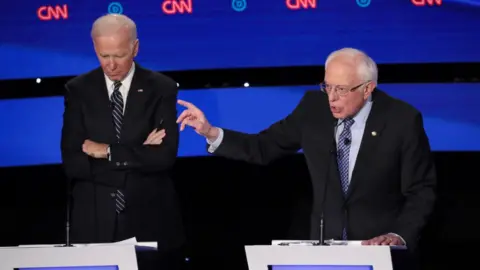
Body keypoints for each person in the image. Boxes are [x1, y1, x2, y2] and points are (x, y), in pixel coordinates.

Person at [175, 48, 436, 252]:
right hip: (326, 251)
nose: (331, 98)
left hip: (381, 251)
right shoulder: (313, 109)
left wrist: (399, 236)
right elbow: (263, 147)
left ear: (367, 88)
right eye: (327, 86)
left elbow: (421, 189)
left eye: (341, 90)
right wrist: (210, 131)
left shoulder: (402, 119)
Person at [60, 14, 185, 269]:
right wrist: (138, 154)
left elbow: (163, 158)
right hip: (94, 221)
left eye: (119, 55)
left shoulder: (162, 88)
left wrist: (106, 151)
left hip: (150, 219)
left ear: (135, 48)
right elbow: (74, 163)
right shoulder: (78, 90)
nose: (111, 65)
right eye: (103, 56)